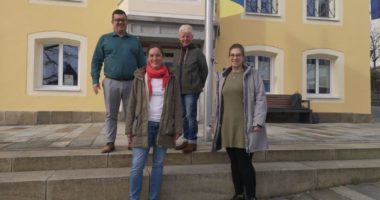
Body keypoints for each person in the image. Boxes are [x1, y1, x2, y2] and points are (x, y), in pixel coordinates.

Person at [211, 43, 268, 200]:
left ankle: (251, 195)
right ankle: (238, 193)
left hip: (246, 126)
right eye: (232, 55)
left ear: (243, 57)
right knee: (234, 163)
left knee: (244, 164)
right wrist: (215, 124)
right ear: (229, 57)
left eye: (238, 55)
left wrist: (258, 122)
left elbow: (261, 99)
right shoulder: (223, 76)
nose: (235, 57)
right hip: (228, 126)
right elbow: (218, 102)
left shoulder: (252, 74)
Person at [125, 44, 182, 200]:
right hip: (143, 126)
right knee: (137, 167)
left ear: (162, 57)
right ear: (147, 57)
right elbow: (132, 104)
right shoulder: (139, 77)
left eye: (157, 55)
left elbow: (177, 103)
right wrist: (129, 128)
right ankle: (134, 198)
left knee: (158, 166)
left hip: (164, 127)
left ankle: (153, 197)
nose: (154, 58)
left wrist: (178, 128)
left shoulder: (172, 77)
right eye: (151, 55)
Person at [91, 9, 146, 153]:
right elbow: (96, 60)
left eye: (123, 20)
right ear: (112, 22)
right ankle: (110, 143)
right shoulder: (105, 39)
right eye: (117, 20)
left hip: (131, 83)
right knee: (111, 114)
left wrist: (144, 82)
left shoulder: (134, 41)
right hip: (111, 82)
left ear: (126, 22)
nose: (120, 22)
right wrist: (95, 80)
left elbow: (142, 64)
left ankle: (131, 141)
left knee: (131, 113)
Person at [173, 24, 208, 153]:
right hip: (179, 90)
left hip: (192, 90)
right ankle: (186, 140)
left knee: (190, 115)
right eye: (183, 36)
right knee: (182, 116)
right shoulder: (177, 52)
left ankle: (193, 142)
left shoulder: (197, 52)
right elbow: (174, 71)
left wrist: (199, 85)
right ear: (179, 38)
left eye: (188, 36)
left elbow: (204, 70)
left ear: (192, 37)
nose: (185, 38)